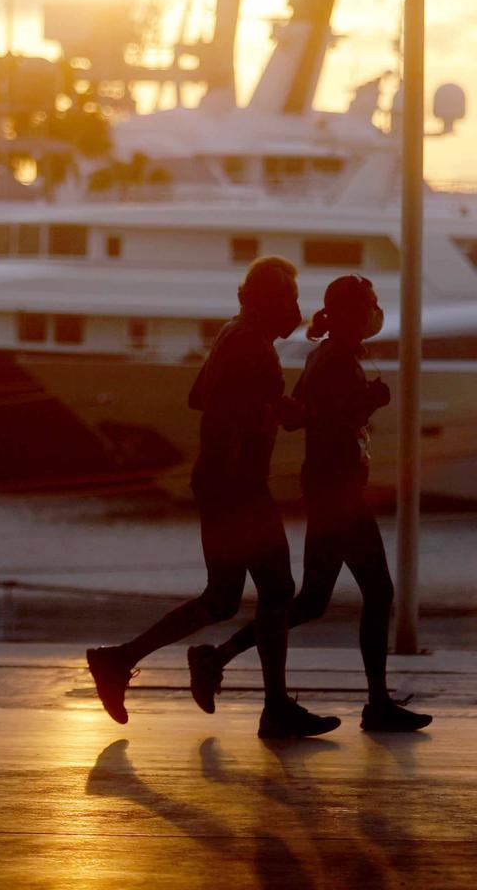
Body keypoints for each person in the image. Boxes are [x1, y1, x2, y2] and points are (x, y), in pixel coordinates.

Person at [85, 257, 340, 740]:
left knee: (223, 599)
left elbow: (200, 397)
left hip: (219, 485)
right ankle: (276, 708)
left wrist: (266, 407)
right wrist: (271, 415)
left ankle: (119, 660)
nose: (297, 307)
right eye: (290, 298)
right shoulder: (254, 347)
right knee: (279, 592)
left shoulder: (235, 334)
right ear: (268, 302)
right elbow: (227, 410)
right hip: (239, 488)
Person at [188, 275, 432, 733]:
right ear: (350, 313)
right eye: (369, 305)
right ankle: (377, 703)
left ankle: (215, 657)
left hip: (325, 491)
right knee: (377, 593)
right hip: (337, 493)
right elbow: (323, 420)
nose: (375, 312)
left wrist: (357, 405)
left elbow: (299, 416)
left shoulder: (326, 355)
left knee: (309, 602)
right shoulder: (336, 359)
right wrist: (367, 403)